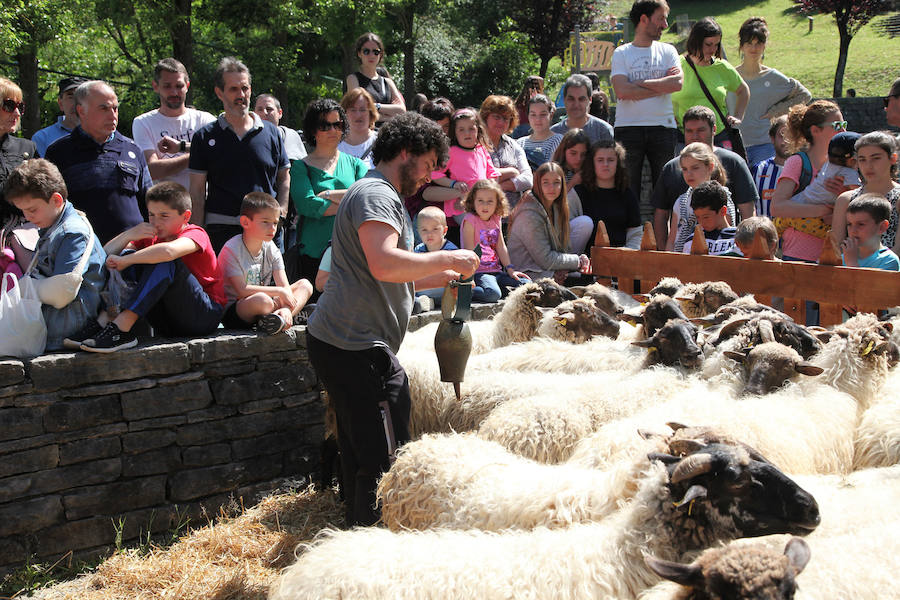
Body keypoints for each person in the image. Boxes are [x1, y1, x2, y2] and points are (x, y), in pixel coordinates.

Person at [306, 112, 479, 526]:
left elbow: (387, 275)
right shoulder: (376, 195)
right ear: (406, 152)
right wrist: (449, 256)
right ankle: (375, 541)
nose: (427, 176)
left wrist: (442, 276)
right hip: (356, 347)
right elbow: (384, 264)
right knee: (385, 460)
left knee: (358, 448)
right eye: (426, 165)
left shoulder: (381, 196)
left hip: (346, 342)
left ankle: (353, 534)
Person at [72, 182, 225, 353]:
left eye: (164, 216)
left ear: (185, 216)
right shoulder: (151, 236)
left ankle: (121, 328)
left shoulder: (196, 233)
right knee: (123, 259)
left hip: (203, 315)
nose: (155, 222)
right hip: (167, 321)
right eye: (151, 215)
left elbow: (168, 252)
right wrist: (130, 234)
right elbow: (105, 254)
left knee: (162, 260)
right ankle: (104, 321)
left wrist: (129, 260)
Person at [188, 57, 290, 253]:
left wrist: (281, 212)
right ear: (219, 92)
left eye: (245, 88)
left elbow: (284, 177)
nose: (241, 95)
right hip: (222, 231)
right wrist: (198, 237)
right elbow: (197, 193)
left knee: (272, 285)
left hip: (266, 231)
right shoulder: (204, 137)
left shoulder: (271, 133)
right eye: (233, 89)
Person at [5, 159, 106, 351]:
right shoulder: (52, 226)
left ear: (56, 200)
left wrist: (25, 288)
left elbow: (61, 293)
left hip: (65, 333)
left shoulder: (72, 232)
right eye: (23, 211)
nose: (27, 217)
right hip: (55, 330)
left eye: (32, 210)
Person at [45, 80, 151, 245]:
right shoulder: (59, 153)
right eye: (104, 108)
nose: (112, 115)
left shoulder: (132, 149)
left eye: (115, 108)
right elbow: (50, 209)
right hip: (83, 252)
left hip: (133, 253)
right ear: (81, 111)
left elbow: (149, 201)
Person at [652, 106, 757, 249]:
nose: (695, 136)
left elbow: (747, 213)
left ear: (713, 129)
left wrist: (747, 249)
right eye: (689, 131)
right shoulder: (672, 171)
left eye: (700, 130)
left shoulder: (734, 162)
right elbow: (662, 215)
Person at [291, 98, 368, 289]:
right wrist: (348, 201)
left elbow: (365, 199)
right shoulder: (301, 167)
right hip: (312, 252)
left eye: (337, 124)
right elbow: (307, 204)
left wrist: (326, 195)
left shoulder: (356, 164)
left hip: (351, 249)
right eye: (325, 125)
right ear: (312, 130)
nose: (333, 130)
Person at [611, 0, 682, 202]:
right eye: (661, 18)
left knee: (667, 189)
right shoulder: (621, 53)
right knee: (627, 190)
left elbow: (677, 83)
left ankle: (668, 232)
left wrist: (640, 83)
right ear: (644, 19)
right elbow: (622, 91)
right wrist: (661, 86)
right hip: (628, 128)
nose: (665, 25)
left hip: (663, 127)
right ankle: (631, 234)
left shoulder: (669, 51)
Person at [218, 192, 313, 334]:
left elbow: (285, 286)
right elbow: (242, 290)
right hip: (237, 309)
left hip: (268, 303)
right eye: (265, 222)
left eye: (275, 223)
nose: (272, 228)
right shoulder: (231, 249)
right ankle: (290, 315)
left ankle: (281, 317)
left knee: (305, 284)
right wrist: (280, 292)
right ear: (245, 222)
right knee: (263, 300)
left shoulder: (271, 247)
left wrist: (286, 305)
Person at [771, 100, 850, 264]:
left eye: (844, 124)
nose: (843, 130)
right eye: (837, 126)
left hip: (833, 254)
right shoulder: (798, 162)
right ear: (815, 130)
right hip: (798, 255)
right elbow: (777, 207)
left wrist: (844, 195)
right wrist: (824, 210)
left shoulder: (845, 165)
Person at [734, 17, 811, 168]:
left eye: (759, 43)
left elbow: (805, 95)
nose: (754, 48)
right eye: (749, 43)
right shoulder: (731, 75)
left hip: (763, 145)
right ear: (742, 46)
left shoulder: (774, 77)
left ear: (764, 46)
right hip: (734, 145)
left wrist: (776, 111)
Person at [132, 59, 217, 191]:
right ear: (156, 86)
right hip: (165, 207)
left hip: (202, 204)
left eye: (179, 86)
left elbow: (221, 155)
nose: (174, 92)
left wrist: (183, 148)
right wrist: (198, 154)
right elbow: (152, 170)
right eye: (167, 86)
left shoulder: (205, 120)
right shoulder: (143, 123)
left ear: (187, 86)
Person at [671, 17, 749, 149]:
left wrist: (738, 116)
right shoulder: (677, 64)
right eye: (708, 44)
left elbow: (743, 91)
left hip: (718, 137)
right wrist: (668, 116)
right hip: (684, 138)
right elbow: (662, 93)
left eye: (716, 44)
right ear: (696, 41)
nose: (713, 49)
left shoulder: (723, 67)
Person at [508, 162, 591, 283]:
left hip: (547, 268)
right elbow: (545, 259)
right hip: (527, 273)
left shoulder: (557, 206)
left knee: (586, 277)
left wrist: (572, 263)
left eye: (556, 183)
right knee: (582, 281)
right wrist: (577, 261)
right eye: (545, 182)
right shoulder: (529, 213)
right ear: (538, 184)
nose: (551, 188)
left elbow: (564, 248)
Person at [425, 108, 500, 244]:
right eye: (461, 130)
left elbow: (492, 174)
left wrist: (491, 194)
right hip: (461, 204)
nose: (467, 133)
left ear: (478, 129)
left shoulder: (482, 149)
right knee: (471, 230)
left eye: (471, 128)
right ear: (455, 132)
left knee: (491, 233)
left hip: (482, 201)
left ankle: (491, 262)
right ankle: (470, 260)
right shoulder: (452, 151)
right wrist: (453, 184)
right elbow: (435, 175)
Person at [773, 131, 861, 241]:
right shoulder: (849, 173)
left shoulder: (827, 165)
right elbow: (860, 197)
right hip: (812, 220)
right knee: (832, 237)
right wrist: (844, 195)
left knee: (777, 226)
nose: (842, 130)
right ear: (853, 160)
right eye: (837, 125)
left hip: (798, 204)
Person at [831, 131, 900, 257]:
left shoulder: (898, 198)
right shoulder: (846, 199)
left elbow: (898, 250)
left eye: (876, 158)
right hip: (850, 271)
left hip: (889, 272)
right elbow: (836, 247)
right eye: (862, 160)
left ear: (892, 158)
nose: (868, 166)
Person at [461, 179, 529, 302]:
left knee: (526, 284)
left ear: (497, 203)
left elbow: (501, 246)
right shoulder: (470, 220)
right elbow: (469, 252)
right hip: (479, 273)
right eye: (480, 201)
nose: (485, 205)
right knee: (493, 294)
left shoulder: (496, 219)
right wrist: (469, 277)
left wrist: (510, 270)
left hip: (496, 272)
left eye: (490, 201)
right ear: (473, 201)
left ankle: (499, 288)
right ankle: (463, 290)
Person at [572, 140, 642, 250]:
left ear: (618, 163)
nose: (605, 164)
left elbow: (635, 234)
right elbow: (567, 232)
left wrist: (627, 253)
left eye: (610, 160)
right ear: (592, 163)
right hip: (583, 260)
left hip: (619, 257)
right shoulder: (578, 194)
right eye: (600, 160)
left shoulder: (628, 194)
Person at [668, 142, 736, 252]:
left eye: (695, 168)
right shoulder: (681, 201)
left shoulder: (720, 196)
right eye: (684, 169)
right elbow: (672, 240)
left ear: (710, 167)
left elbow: (724, 233)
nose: (689, 174)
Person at [480, 95, 533, 210]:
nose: (501, 122)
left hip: (512, 216)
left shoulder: (514, 146)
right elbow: (479, 179)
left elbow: (528, 179)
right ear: (486, 117)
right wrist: (512, 172)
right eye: (496, 117)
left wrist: (499, 186)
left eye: (506, 118)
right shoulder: (476, 144)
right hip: (483, 217)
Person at [345, 33, 406, 124]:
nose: (371, 55)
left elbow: (401, 111)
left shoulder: (388, 82)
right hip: (366, 134)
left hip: (388, 134)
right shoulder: (353, 79)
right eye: (366, 51)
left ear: (380, 55)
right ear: (359, 54)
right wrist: (389, 117)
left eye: (376, 52)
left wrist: (375, 106)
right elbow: (358, 112)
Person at [0, 78, 36, 221]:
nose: (17, 113)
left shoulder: (27, 147)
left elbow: (44, 188)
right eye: (9, 105)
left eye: (20, 107)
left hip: (22, 235)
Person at [413, 205, 458, 310]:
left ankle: (432, 302)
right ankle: (426, 302)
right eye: (424, 230)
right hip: (425, 289)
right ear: (418, 232)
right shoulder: (418, 250)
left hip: (445, 290)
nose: (429, 234)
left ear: (444, 231)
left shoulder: (451, 250)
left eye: (435, 229)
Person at [840, 194, 899, 270]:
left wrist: (852, 264)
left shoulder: (888, 260)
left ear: (881, 227)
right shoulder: (843, 258)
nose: (853, 230)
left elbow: (864, 282)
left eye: (861, 224)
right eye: (849, 224)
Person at [550, 74, 614, 144]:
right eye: (571, 99)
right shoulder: (553, 134)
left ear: (590, 100)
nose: (576, 104)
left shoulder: (603, 131)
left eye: (581, 99)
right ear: (564, 100)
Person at [31, 76, 86, 157]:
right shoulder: (42, 138)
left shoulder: (103, 135)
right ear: (60, 104)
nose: (76, 103)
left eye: (82, 97)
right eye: (71, 97)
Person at [681, 180, 737, 255]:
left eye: (706, 217)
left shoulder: (739, 239)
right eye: (697, 217)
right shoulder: (692, 241)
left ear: (723, 211)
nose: (701, 222)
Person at [752, 115, 790, 218]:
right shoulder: (759, 170)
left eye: (790, 135)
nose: (786, 141)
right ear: (772, 138)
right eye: (782, 135)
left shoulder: (805, 169)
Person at [254, 93, 308, 162]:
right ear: (254, 113)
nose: (264, 112)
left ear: (280, 113)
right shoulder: (247, 137)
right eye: (260, 109)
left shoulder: (290, 136)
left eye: (269, 109)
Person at [516, 94, 563, 169]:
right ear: (528, 116)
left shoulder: (557, 140)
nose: (538, 119)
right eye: (533, 115)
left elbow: (551, 172)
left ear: (550, 115)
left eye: (543, 114)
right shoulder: (520, 143)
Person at [338, 88, 378, 169]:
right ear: (344, 113)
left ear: (370, 113)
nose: (358, 115)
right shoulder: (334, 144)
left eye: (363, 110)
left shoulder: (381, 142)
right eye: (353, 110)